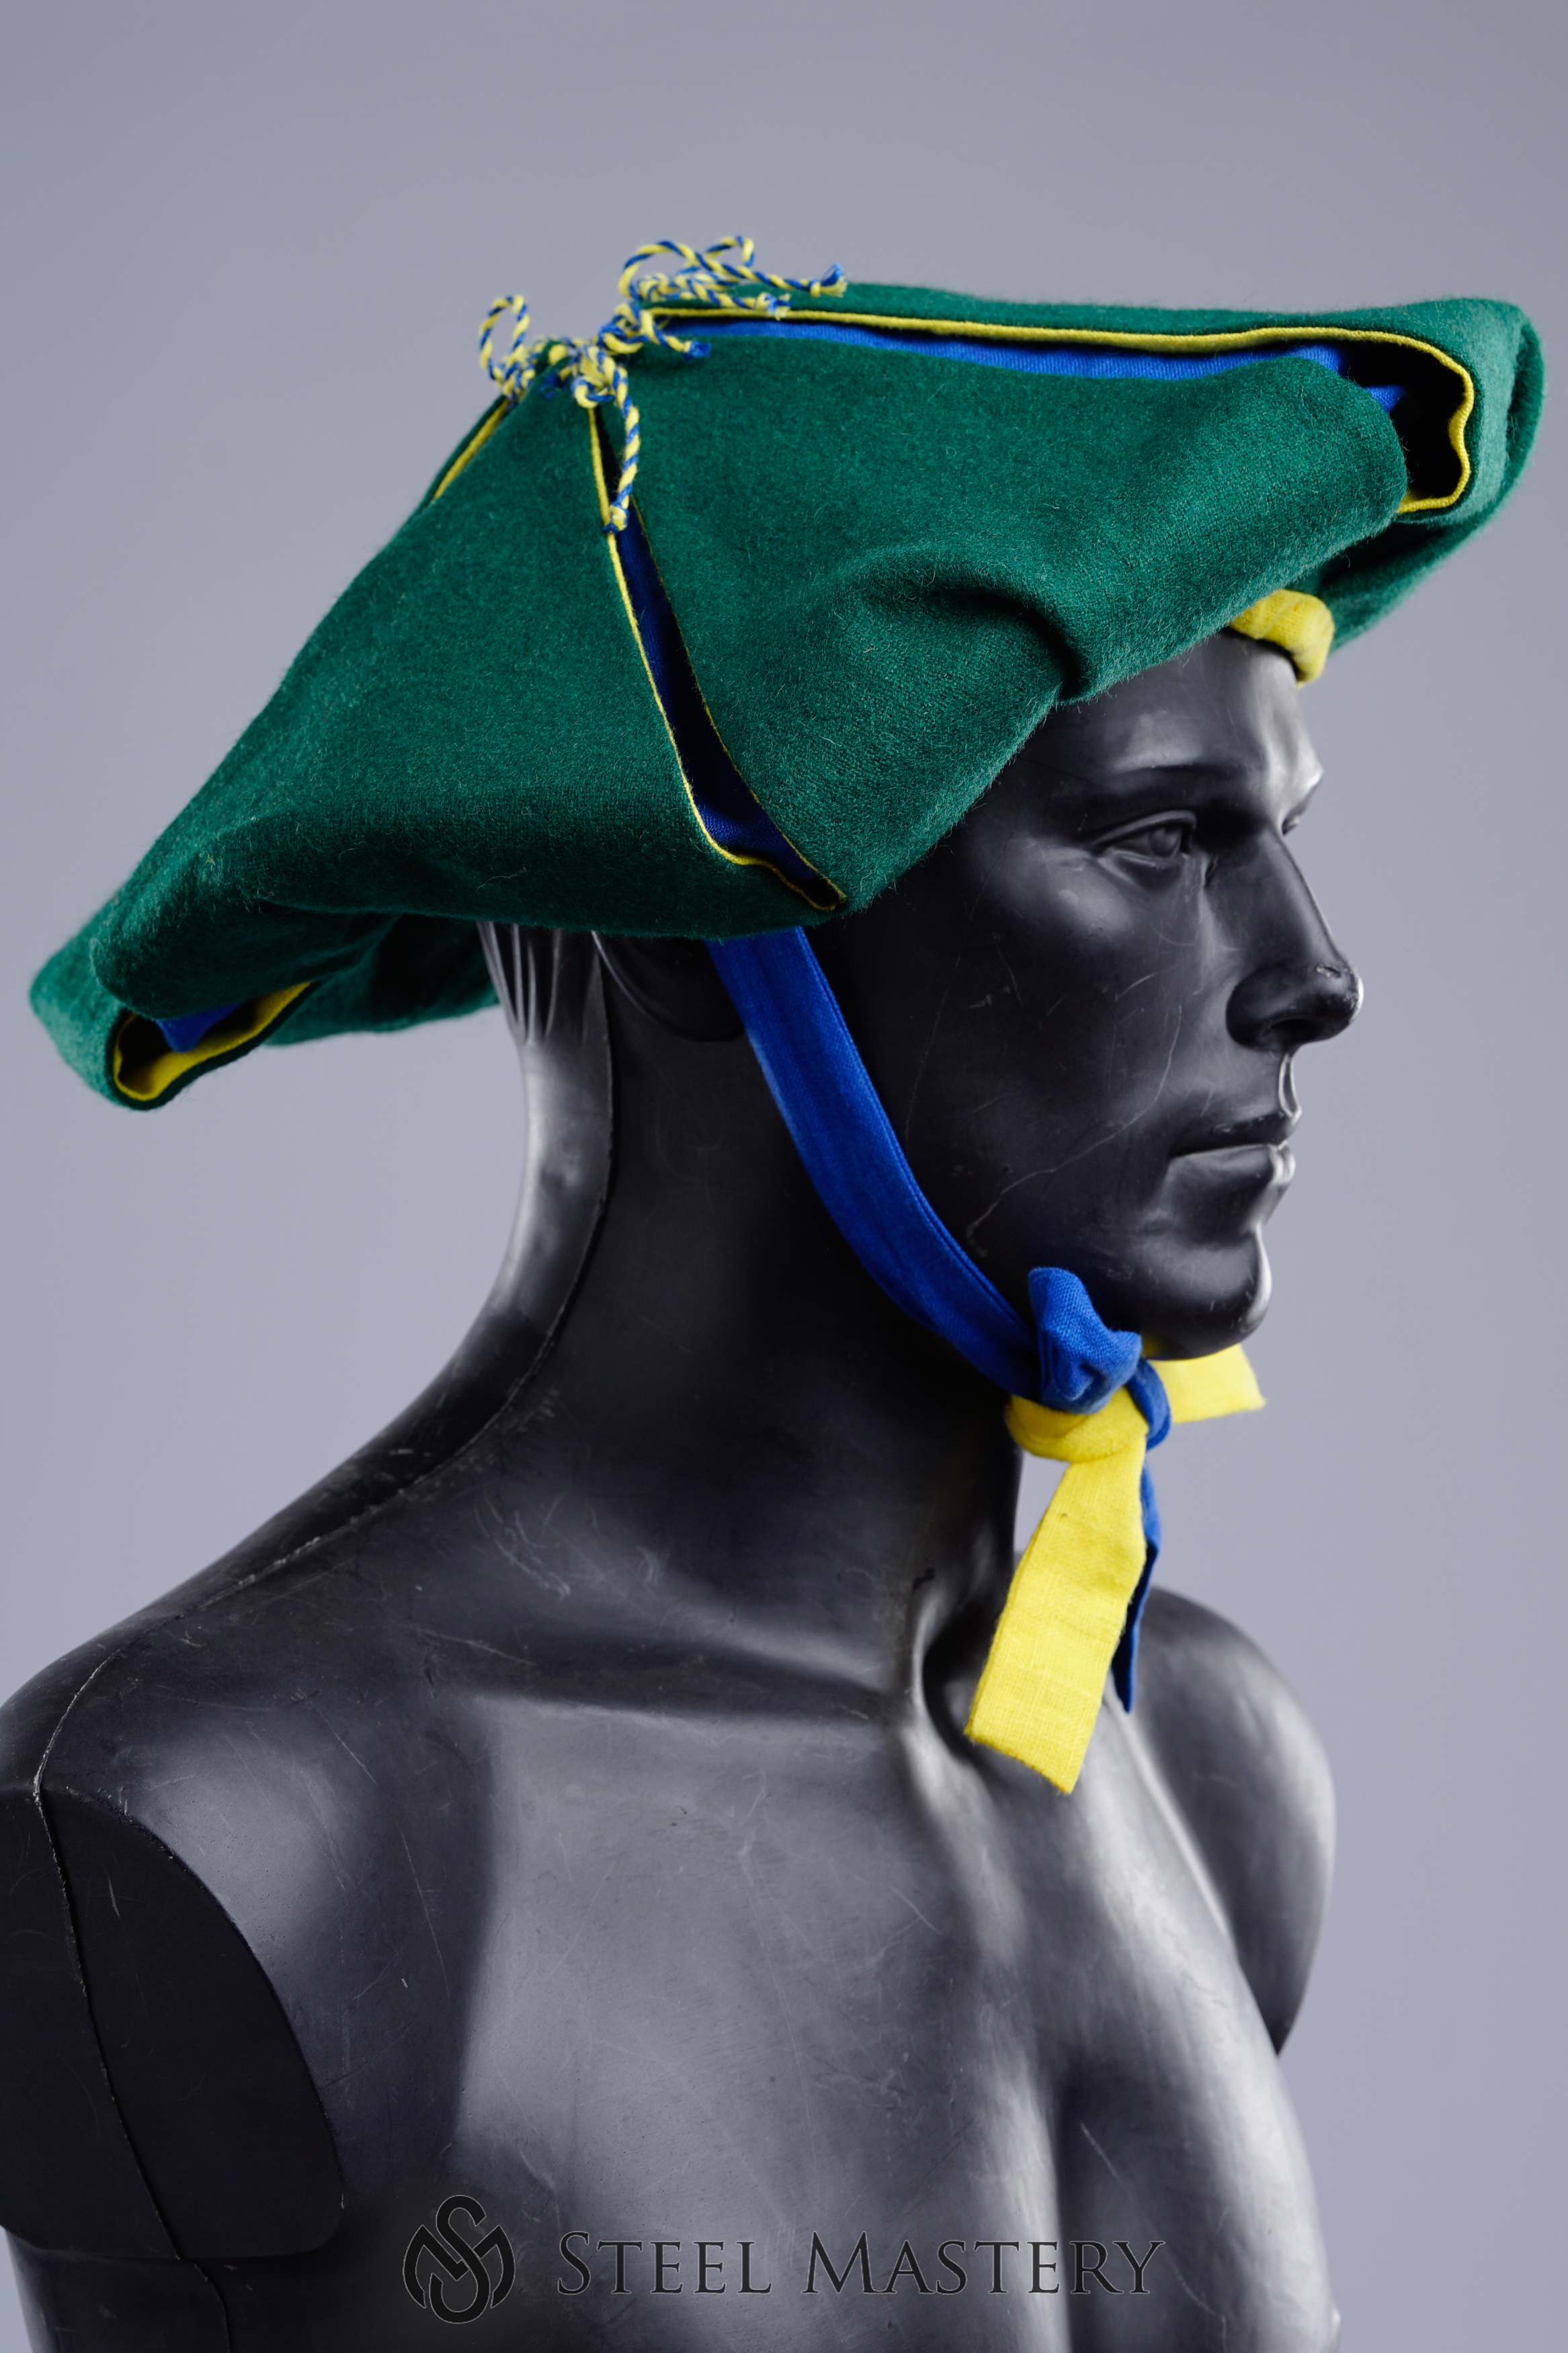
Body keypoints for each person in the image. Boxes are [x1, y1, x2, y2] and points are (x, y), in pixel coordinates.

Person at [3, 243, 1540, 2348]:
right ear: (683, 926)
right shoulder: (209, 1833)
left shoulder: (1204, 1755)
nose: (1317, 974)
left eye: (1274, 831)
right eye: (1160, 841)